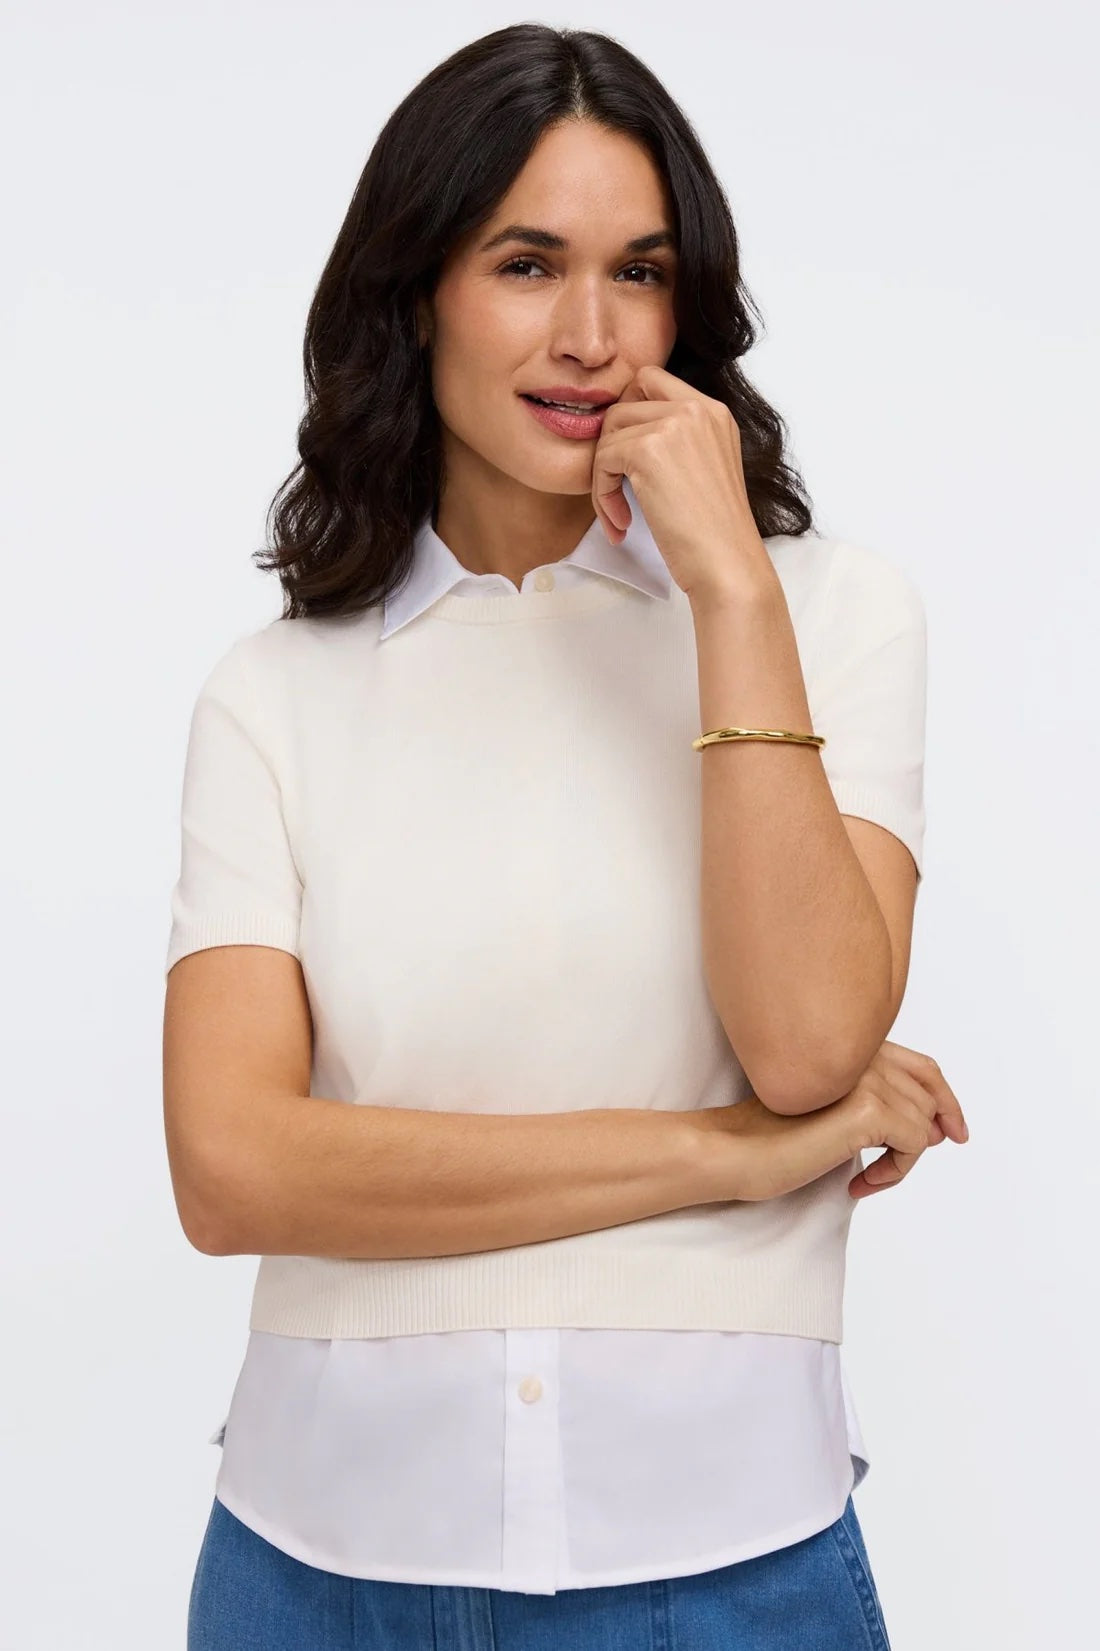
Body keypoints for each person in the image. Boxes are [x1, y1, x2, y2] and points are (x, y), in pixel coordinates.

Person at [164, 23, 968, 1651]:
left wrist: (730, 590)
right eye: (526, 264)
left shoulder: (832, 616)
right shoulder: (275, 695)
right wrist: (726, 1157)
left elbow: (810, 1043)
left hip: (726, 1565)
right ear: (418, 294)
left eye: (641, 274)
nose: (592, 338)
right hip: (318, 1572)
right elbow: (234, 1168)